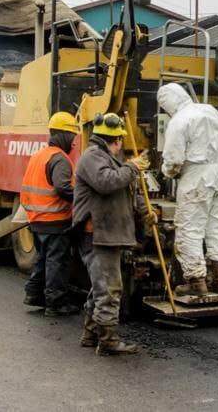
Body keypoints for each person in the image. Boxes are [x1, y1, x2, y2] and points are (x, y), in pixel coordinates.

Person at [72, 112, 154, 356]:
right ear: (117, 139)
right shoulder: (92, 158)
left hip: (109, 233)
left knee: (101, 287)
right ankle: (107, 342)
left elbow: (126, 191)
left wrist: (144, 211)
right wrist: (131, 166)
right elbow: (106, 182)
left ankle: (91, 334)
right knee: (109, 289)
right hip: (98, 235)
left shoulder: (108, 158)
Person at [157, 83, 218, 296]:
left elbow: (173, 160)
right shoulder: (209, 110)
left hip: (197, 177)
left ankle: (196, 282)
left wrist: (165, 172)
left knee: (190, 229)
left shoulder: (178, 121)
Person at [21, 111, 80, 316]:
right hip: (54, 220)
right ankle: (55, 304)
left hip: (36, 219)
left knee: (43, 258)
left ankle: (33, 294)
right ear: (62, 134)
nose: (74, 141)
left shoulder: (39, 155)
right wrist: (82, 199)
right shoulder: (59, 159)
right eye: (72, 135)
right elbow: (63, 188)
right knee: (57, 261)